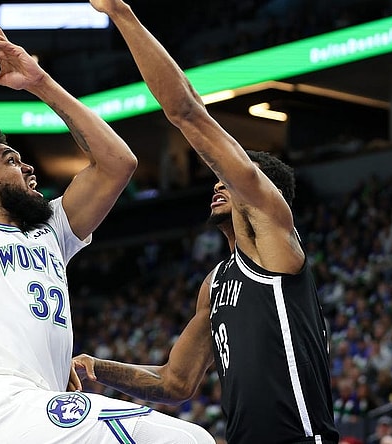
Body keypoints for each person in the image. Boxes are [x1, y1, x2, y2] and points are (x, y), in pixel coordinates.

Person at [0, 10, 214, 444]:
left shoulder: (50, 231)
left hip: (37, 410)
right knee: (191, 441)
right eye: (12, 161)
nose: (29, 166)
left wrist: (38, 82)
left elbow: (117, 163)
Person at [72, 1, 339, 443]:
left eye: (228, 180)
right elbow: (175, 382)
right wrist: (96, 367)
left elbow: (187, 110)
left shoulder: (274, 237)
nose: (217, 185)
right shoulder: (215, 284)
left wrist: (120, 13)